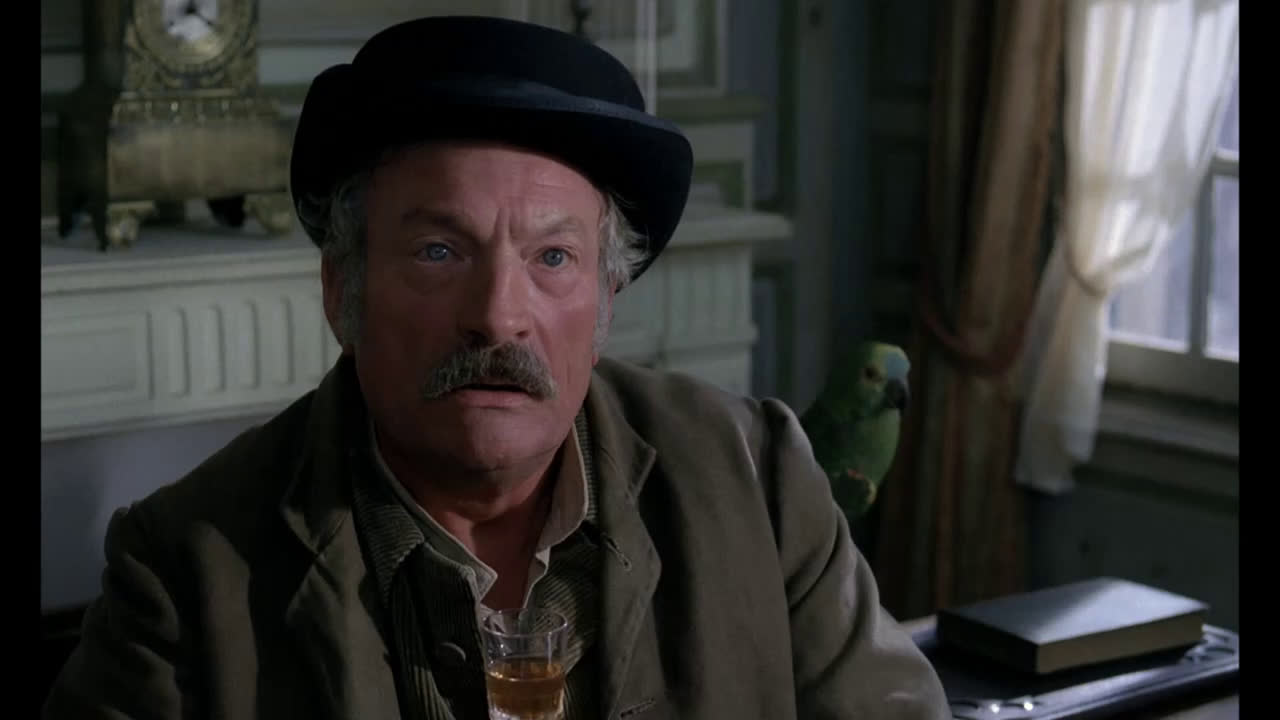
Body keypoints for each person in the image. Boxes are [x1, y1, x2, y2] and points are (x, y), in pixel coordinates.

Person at [44, 15, 950, 720]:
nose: (497, 314)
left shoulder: (758, 479)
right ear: (343, 290)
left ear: (604, 301)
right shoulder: (183, 570)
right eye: (440, 251)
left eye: (553, 257)